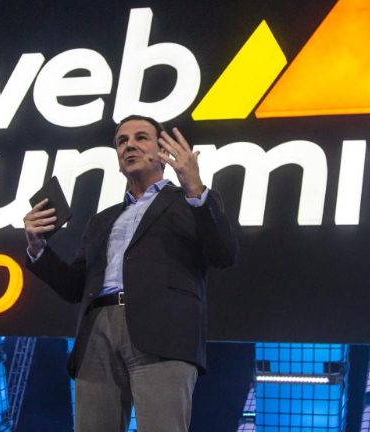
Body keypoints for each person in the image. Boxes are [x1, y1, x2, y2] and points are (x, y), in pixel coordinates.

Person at [23, 115, 239, 431]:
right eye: (122, 141)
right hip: (96, 330)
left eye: (141, 137)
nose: (130, 146)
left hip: (163, 331)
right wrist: (37, 249)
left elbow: (224, 254)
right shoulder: (101, 220)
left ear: (162, 152)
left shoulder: (190, 202)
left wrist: (195, 188)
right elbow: (74, 287)